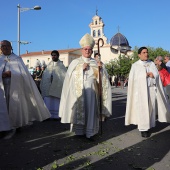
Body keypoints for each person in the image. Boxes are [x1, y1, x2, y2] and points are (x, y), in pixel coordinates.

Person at [59, 33, 112, 140]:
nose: (87, 51)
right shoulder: (75, 63)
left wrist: (101, 70)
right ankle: (79, 132)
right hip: (78, 93)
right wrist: (80, 69)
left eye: (89, 49)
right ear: (82, 50)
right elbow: (69, 78)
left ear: (92, 51)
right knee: (79, 111)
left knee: (91, 111)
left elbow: (102, 80)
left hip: (92, 93)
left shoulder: (96, 63)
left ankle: (90, 133)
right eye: (85, 49)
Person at [0, 40, 51, 139]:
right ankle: (3, 127)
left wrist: (11, 74)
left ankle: (17, 125)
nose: (5, 48)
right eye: (2, 46)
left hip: (15, 87)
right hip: (2, 88)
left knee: (15, 106)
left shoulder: (17, 59)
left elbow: (24, 75)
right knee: (3, 107)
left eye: (7, 46)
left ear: (11, 47)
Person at [125, 47, 170, 138]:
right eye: (144, 52)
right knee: (142, 109)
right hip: (140, 92)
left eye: (147, 52)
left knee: (150, 109)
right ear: (139, 55)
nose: (146, 54)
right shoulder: (135, 65)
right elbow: (132, 80)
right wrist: (144, 75)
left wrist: (153, 75)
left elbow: (157, 75)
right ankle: (143, 129)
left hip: (151, 90)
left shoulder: (152, 64)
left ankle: (149, 125)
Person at [40, 50, 67, 120]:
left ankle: (56, 116)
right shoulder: (49, 65)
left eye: (55, 55)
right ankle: (47, 115)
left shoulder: (61, 66)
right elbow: (45, 76)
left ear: (58, 56)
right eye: (52, 55)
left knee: (56, 101)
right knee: (48, 101)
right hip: (48, 86)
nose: (53, 56)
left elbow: (64, 76)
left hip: (57, 86)